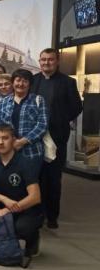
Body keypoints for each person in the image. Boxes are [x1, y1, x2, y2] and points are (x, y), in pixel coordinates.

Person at [31, 48, 82, 229]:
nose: (46, 63)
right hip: (35, 137)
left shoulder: (68, 82)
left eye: (50, 60)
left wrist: (58, 120)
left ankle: (52, 216)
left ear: (57, 61)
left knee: (53, 178)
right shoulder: (34, 80)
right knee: (36, 175)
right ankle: (36, 212)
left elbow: (76, 107)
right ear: (39, 61)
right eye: (43, 60)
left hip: (56, 136)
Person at [0, 124, 43, 257]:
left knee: (23, 228)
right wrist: (4, 200)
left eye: (5, 138)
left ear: (13, 140)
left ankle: (33, 240)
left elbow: (35, 197)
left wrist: (7, 210)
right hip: (2, 205)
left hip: (23, 208)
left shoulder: (25, 162)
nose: (1, 142)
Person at [0, 69, 48, 177]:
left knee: (31, 183)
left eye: (25, 81)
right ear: (13, 83)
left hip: (32, 151)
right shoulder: (3, 102)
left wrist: (22, 142)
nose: (20, 84)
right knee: (10, 183)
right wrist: (9, 142)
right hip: (8, 151)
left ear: (30, 84)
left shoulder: (38, 100)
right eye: (18, 80)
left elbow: (42, 125)